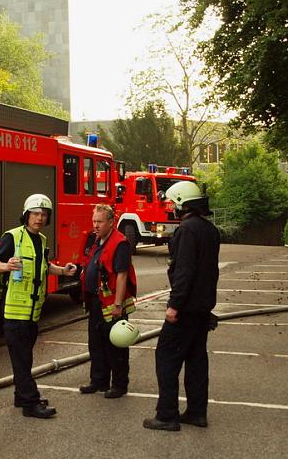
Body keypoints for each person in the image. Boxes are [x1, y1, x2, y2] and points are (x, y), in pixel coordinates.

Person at [0, 193, 78, 419]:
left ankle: (21, 395)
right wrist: (6, 265)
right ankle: (30, 402)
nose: (39, 218)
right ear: (26, 215)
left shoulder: (42, 240)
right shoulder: (12, 237)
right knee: (21, 359)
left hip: (33, 312)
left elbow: (43, 266)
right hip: (14, 311)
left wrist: (62, 271)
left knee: (25, 356)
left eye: (43, 214)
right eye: (35, 214)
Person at [143, 181, 220, 432]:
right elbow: (209, 273)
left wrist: (174, 306)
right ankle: (197, 412)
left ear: (181, 203)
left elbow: (185, 271)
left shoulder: (186, 230)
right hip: (201, 309)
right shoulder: (209, 230)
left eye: (172, 202)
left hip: (185, 310)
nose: (171, 207)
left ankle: (166, 415)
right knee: (197, 360)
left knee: (166, 357)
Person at [77, 204, 137, 398]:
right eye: (94, 221)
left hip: (111, 303)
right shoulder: (97, 241)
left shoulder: (120, 243)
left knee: (115, 346)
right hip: (96, 301)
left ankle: (119, 385)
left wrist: (118, 305)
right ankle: (98, 381)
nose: (95, 225)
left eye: (99, 222)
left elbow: (121, 275)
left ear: (111, 222)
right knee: (96, 344)